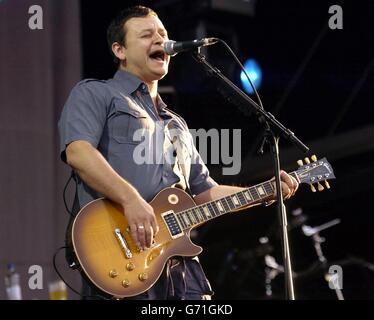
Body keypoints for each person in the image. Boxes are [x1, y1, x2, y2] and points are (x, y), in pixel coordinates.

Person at [58, 5, 299, 300]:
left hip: (181, 269)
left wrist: (265, 191)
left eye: (163, 33)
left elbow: (204, 193)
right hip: (123, 257)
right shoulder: (96, 94)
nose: (160, 40)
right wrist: (130, 199)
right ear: (119, 50)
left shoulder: (177, 125)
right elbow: (79, 153)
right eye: (147, 35)